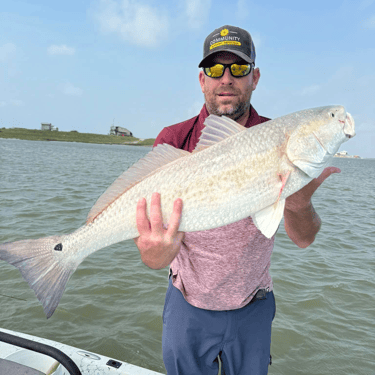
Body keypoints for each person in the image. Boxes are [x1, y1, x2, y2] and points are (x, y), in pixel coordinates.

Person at [134, 25, 340, 375]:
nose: (226, 79)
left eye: (239, 68)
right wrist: (154, 251)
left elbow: (303, 239)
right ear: (202, 80)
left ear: (255, 77)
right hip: (187, 304)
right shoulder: (173, 139)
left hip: (253, 306)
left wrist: (298, 201)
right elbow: (152, 257)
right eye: (215, 69)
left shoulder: (280, 139)